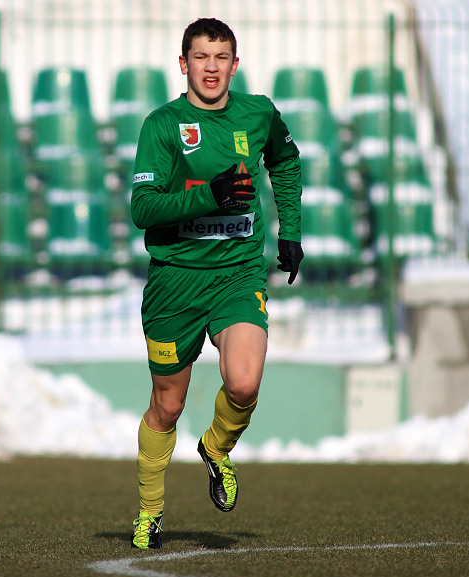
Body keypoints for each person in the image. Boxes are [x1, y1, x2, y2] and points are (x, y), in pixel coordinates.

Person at [128, 17, 303, 549]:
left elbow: (287, 162)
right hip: (175, 279)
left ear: (234, 63)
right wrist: (211, 194)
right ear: (184, 64)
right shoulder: (161, 125)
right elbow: (143, 207)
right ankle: (150, 512)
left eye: (221, 57)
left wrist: (291, 232)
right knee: (168, 405)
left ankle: (217, 448)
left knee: (244, 382)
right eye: (201, 57)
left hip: (237, 272)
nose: (211, 67)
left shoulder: (258, 113)